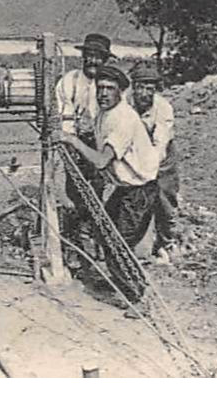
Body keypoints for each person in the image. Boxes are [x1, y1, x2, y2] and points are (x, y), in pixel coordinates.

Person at [59, 62, 161, 304]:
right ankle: (122, 281)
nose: (103, 93)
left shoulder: (123, 119)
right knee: (103, 233)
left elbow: (102, 160)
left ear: (120, 92)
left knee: (118, 242)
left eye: (109, 89)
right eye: (100, 88)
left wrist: (72, 141)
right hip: (125, 188)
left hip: (139, 192)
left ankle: (139, 296)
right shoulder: (104, 114)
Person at [55, 33, 112, 239]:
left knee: (97, 184)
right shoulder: (69, 81)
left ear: (105, 60)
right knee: (75, 185)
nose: (93, 61)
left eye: (98, 57)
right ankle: (75, 231)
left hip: (100, 142)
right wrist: (71, 142)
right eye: (89, 55)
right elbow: (64, 114)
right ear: (83, 56)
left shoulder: (110, 85)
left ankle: (93, 227)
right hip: (74, 138)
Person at [131, 63, 179, 258]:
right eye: (140, 87)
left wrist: (149, 170)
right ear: (132, 87)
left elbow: (160, 142)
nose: (144, 93)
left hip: (161, 156)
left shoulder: (163, 108)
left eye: (149, 89)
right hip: (133, 153)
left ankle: (167, 240)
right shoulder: (124, 105)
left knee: (164, 197)